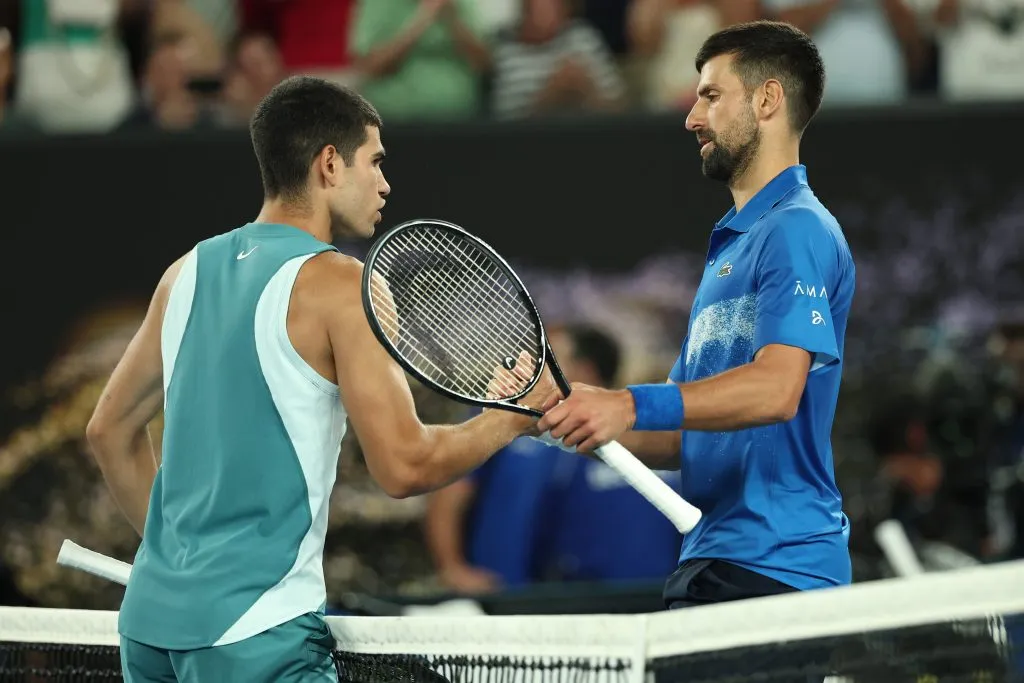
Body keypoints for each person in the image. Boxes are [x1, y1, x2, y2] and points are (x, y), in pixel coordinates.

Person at [85, 75, 554, 683]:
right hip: (256, 636)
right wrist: (509, 419)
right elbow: (405, 465)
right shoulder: (346, 286)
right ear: (329, 164)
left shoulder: (184, 272)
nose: (386, 183)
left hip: (149, 627)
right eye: (375, 161)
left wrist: (185, 567)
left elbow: (108, 432)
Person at [537, 20, 856, 614]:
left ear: (767, 100)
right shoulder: (733, 248)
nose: (691, 117)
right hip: (716, 564)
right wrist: (572, 413)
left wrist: (627, 402)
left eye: (711, 95)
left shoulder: (798, 229)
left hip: (778, 569)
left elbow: (777, 389)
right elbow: (678, 428)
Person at [425, 325, 679, 593]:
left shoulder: (630, 436)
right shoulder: (498, 416)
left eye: (547, 360)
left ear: (586, 370)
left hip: (613, 597)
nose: (533, 368)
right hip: (502, 594)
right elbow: (449, 494)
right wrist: (452, 567)